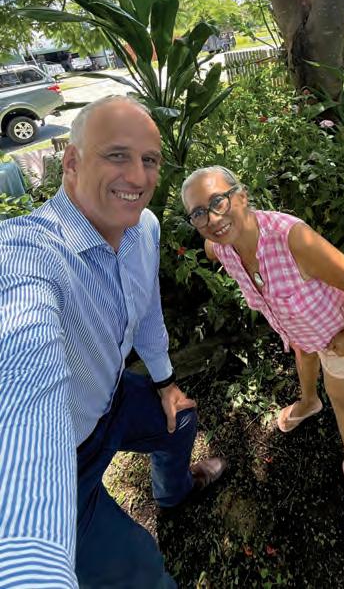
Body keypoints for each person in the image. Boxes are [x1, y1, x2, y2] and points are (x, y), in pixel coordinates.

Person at [0, 96, 226, 589]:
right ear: (71, 162)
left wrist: (165, 382)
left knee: (183, 421)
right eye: (117, 155)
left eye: (150, 160)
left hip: (113, 396)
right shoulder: (24, 254)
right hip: (67, 458)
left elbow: (147, 310)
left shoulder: (144, 228)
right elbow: (24, 381)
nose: (139, 176)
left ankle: (174, 494)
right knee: (143, 571)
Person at [181, 165, 344, 540]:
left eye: (219, 202)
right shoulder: (219, 245)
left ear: (242, 197)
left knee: (343, 397)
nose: (212, 219)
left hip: (336, 330)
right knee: (303, 354)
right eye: (199, 213)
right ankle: (308, 401)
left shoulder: (293, 239)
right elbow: (211, 247)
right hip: (298, 329)